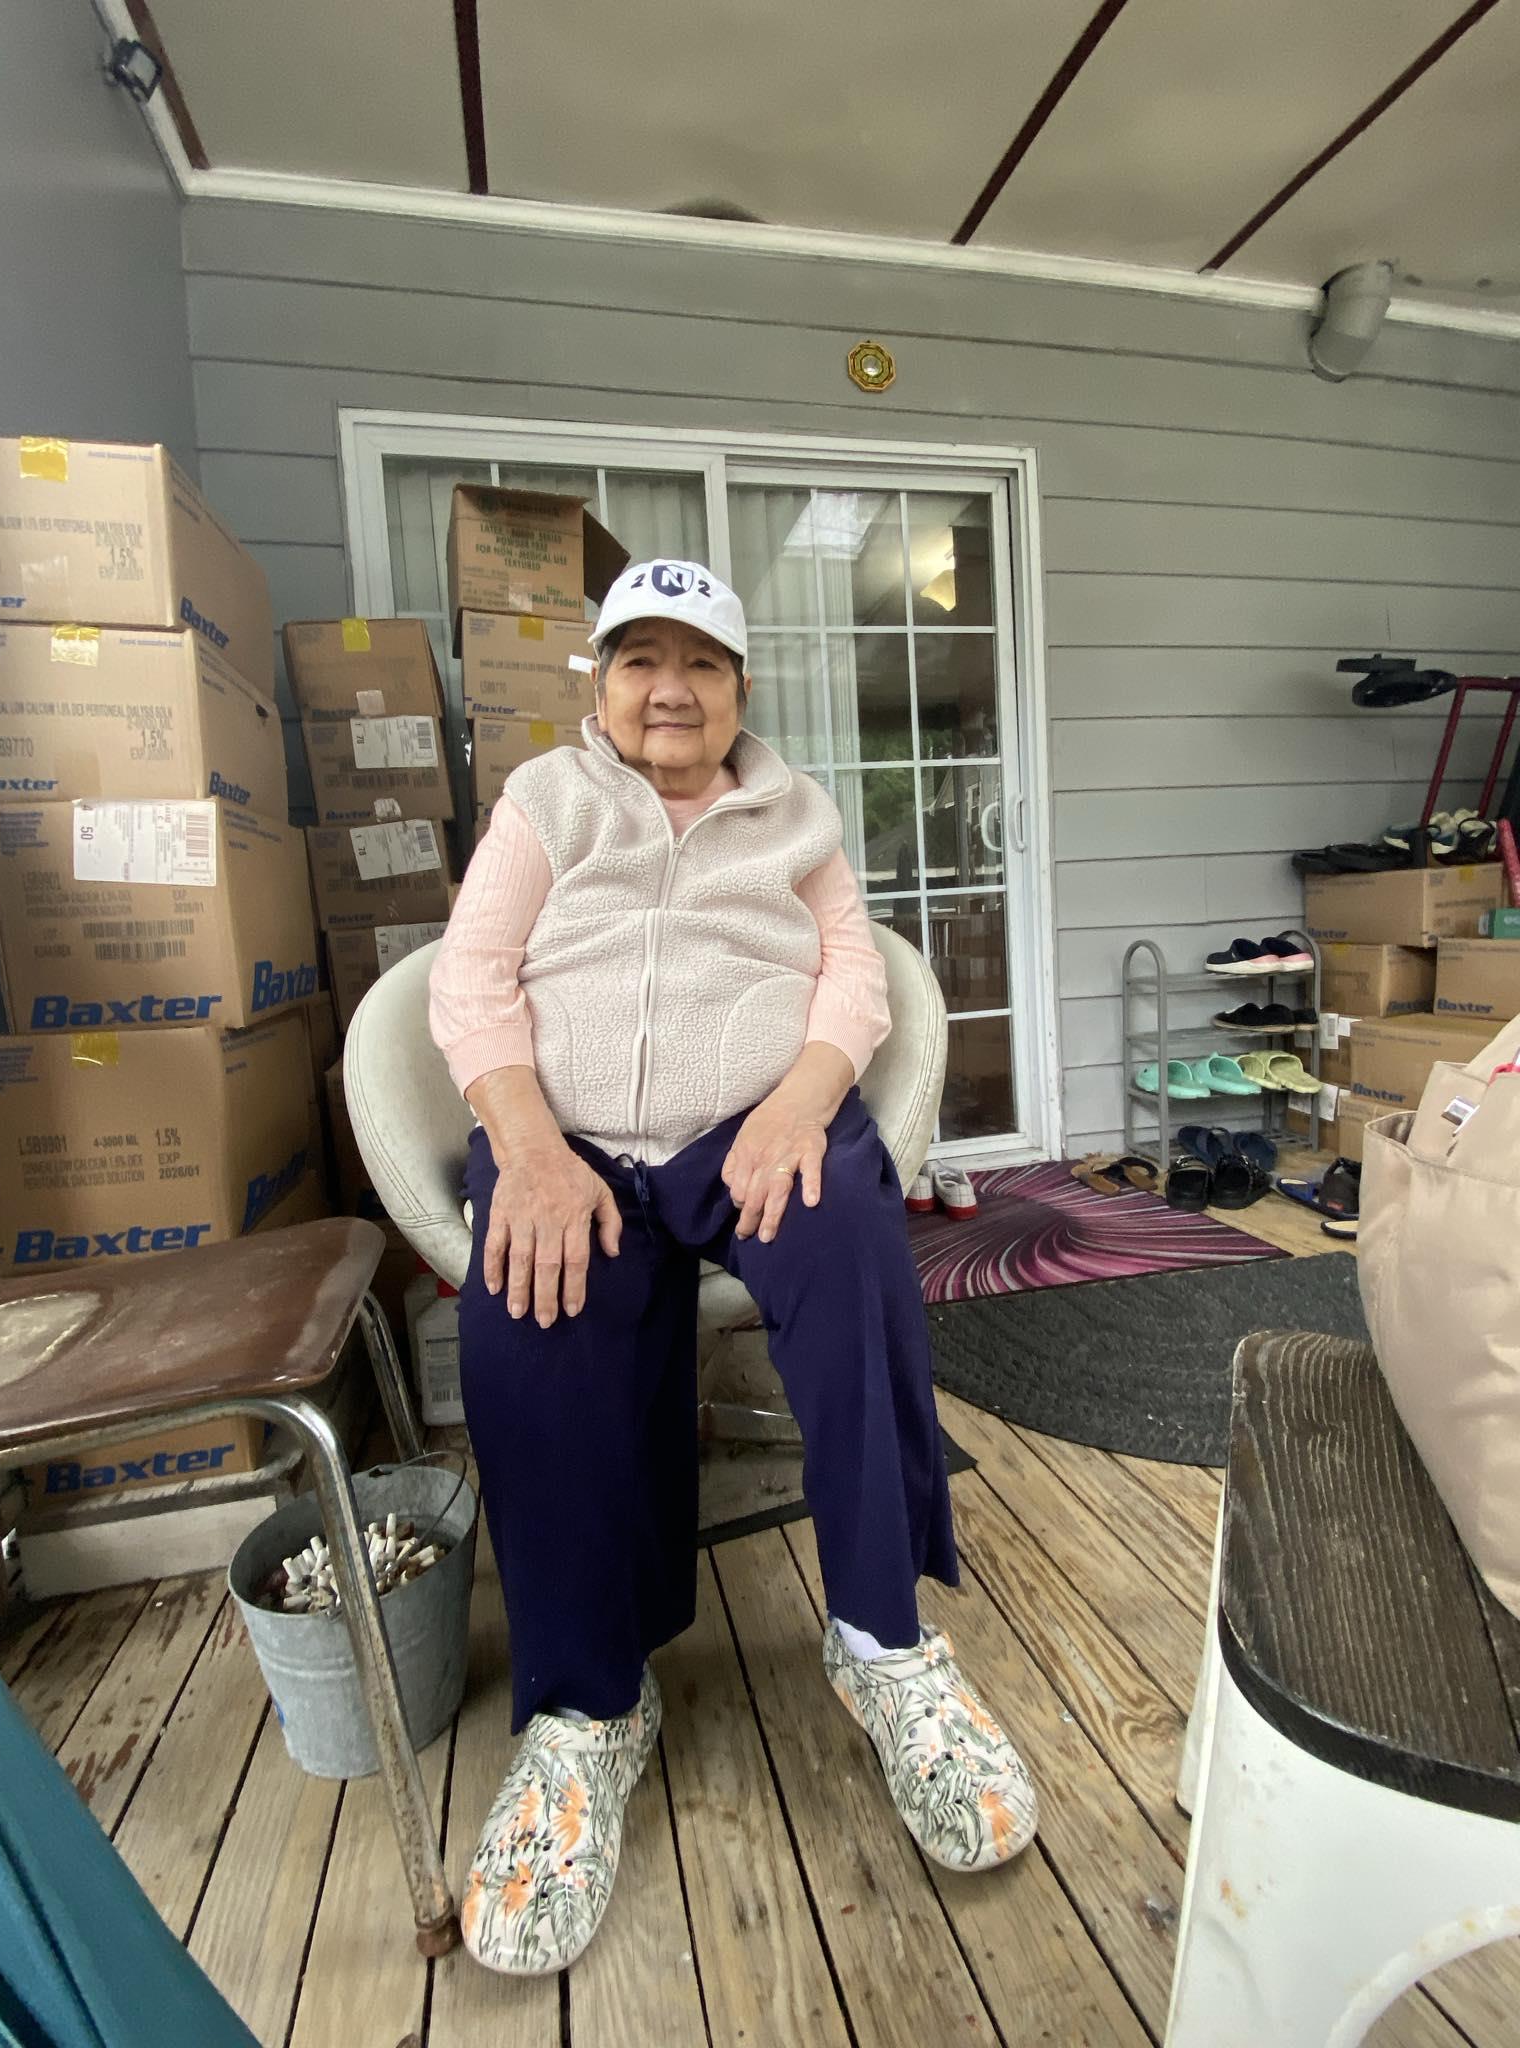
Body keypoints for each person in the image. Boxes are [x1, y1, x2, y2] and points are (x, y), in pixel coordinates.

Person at [429, 558, 1036, 1977]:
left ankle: (885, 1645)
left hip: (751, 1132)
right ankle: (585, 1710)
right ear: (599, 683)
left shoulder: (793, 812)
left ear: (739, 686)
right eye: (639, 661)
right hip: (566, 1137)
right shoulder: (546, 803)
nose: (669, 690)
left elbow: (855, 972)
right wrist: (522, 1139)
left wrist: (800, 1100)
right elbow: (470, 977)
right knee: (529, 1319)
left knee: (856, 1264)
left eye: (698, 662)